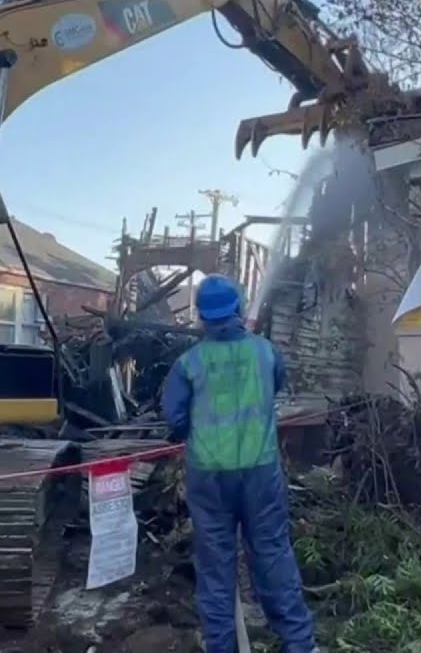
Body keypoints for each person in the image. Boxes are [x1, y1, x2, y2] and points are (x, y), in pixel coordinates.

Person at [160, 274, 318, 653]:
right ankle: (299, 644)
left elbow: (174, 418)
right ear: (238, 308)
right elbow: (275, 386)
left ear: (202, 316)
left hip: (209, 477)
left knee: (215, 567)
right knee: (272, 553)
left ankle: (221, 646)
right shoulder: (266, 352)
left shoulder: (188, 363)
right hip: (260, 472)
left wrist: (188, 431)